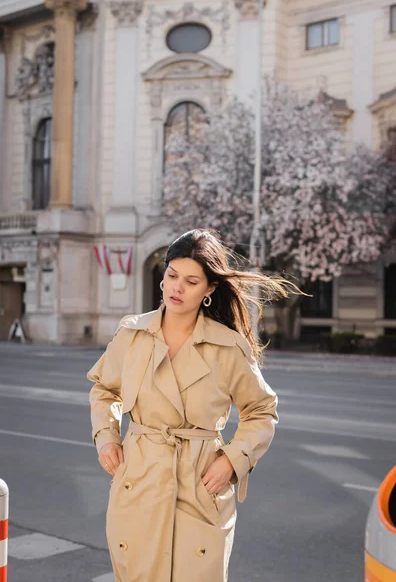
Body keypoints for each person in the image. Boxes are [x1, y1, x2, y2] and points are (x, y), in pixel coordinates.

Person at [87, 229, 300, 582]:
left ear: (209, 289)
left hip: (201, 483)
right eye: (171, 275)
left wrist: (232, 461)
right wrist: (106, 435)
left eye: (190, 281)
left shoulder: (227, 347)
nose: (177, 288)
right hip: (138, 480)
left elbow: (261, 411)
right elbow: (105, 389)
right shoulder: (132, 335)